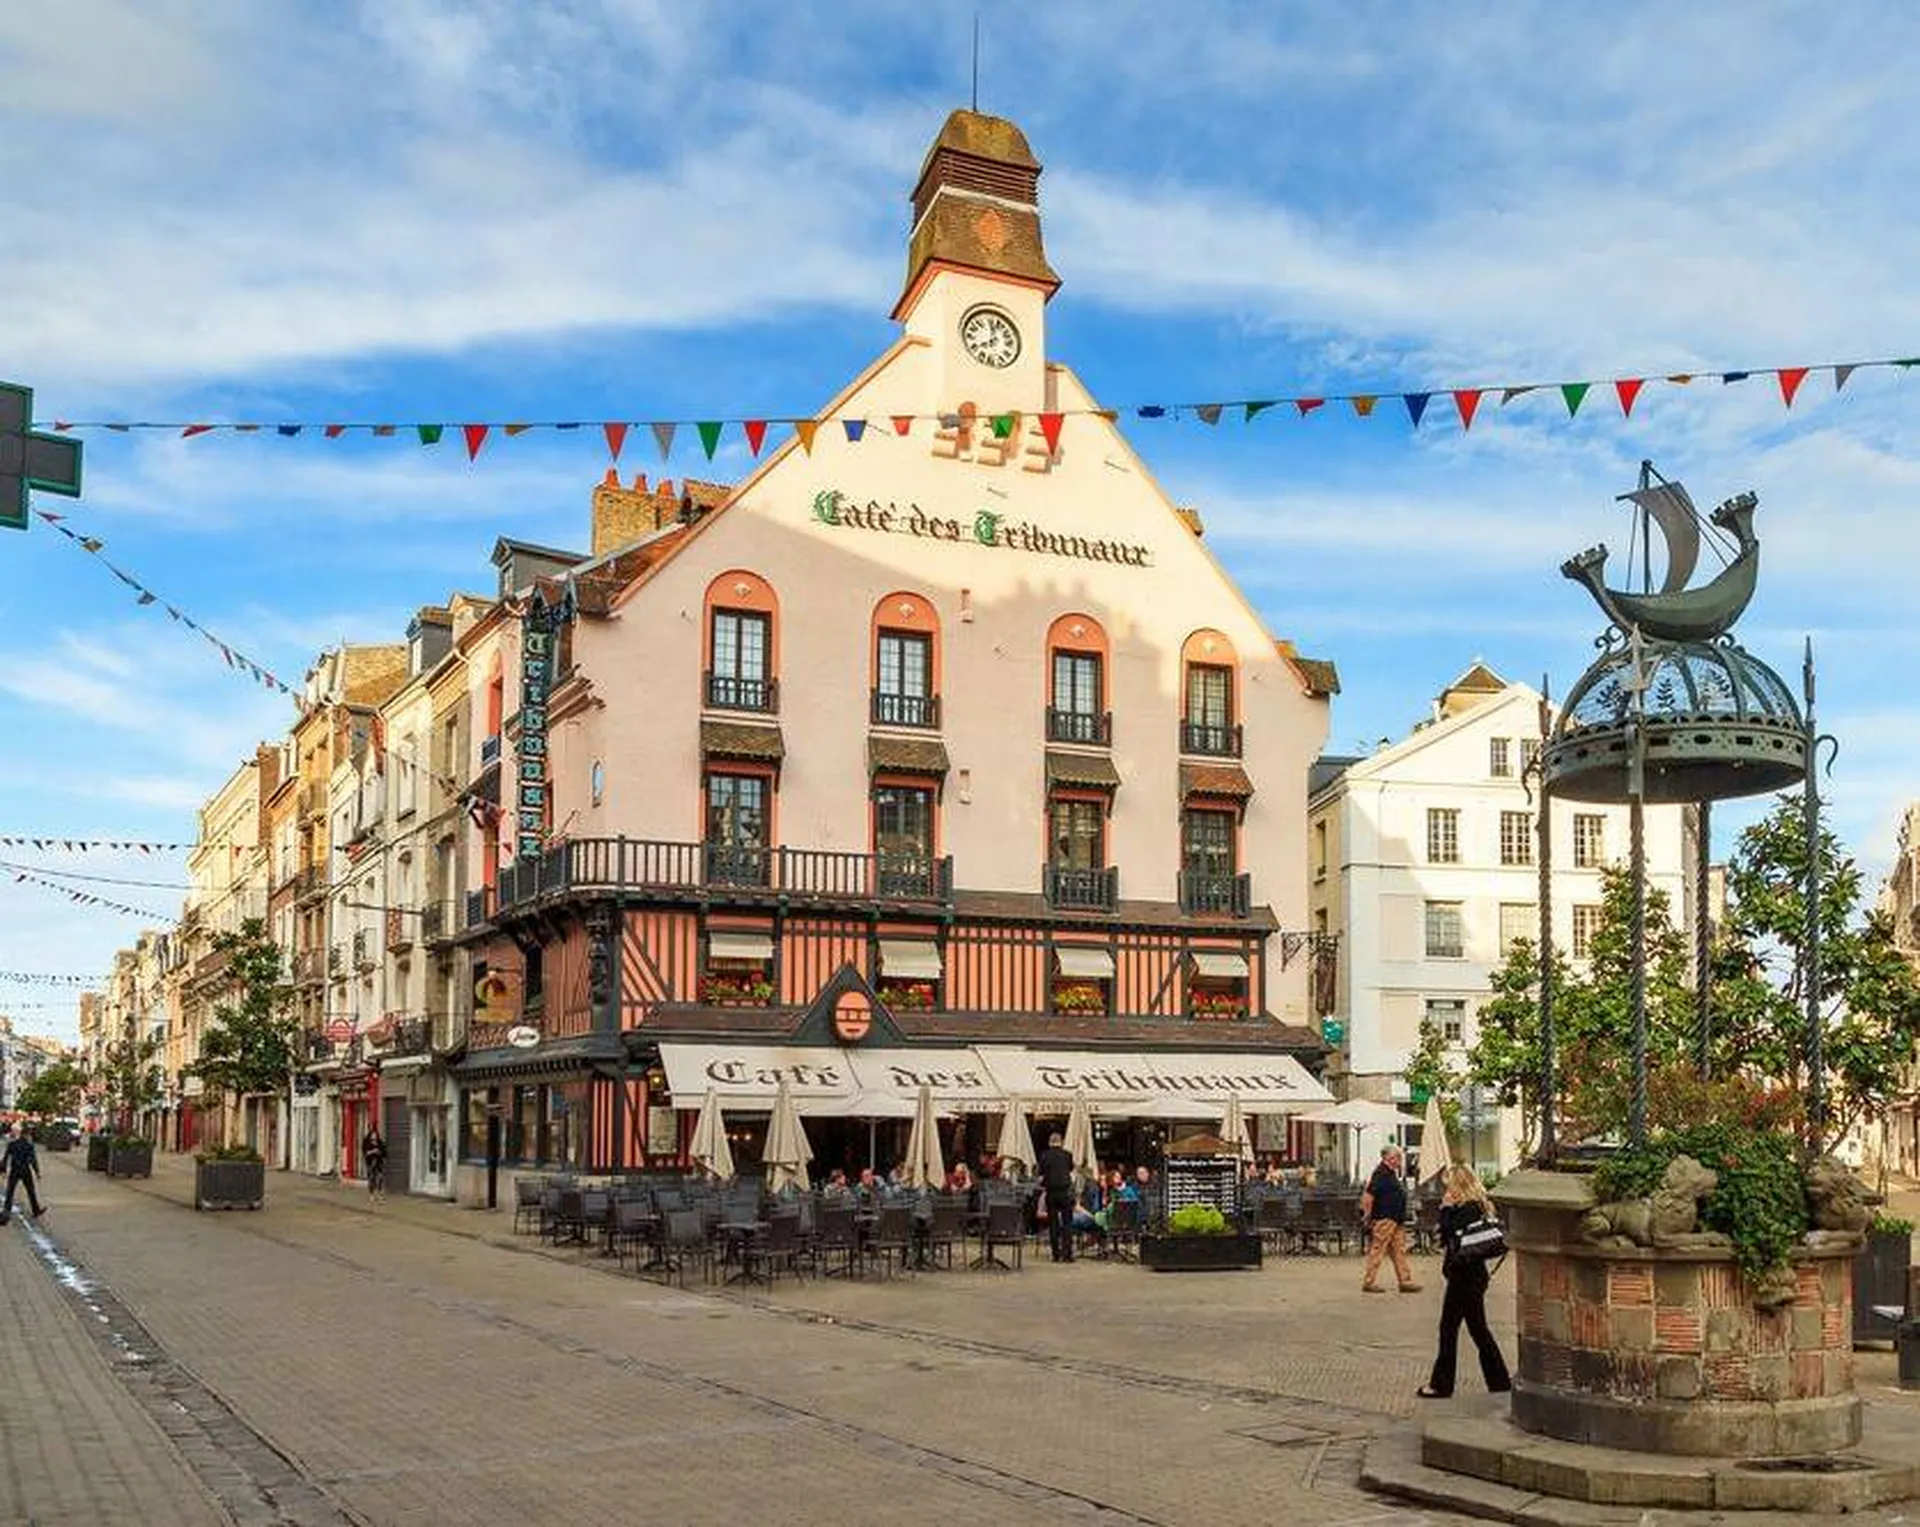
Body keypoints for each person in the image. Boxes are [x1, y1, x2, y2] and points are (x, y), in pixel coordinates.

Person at [1420, 1164, 1512, 1398]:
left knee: (1449, 1328)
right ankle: (1499, 1381)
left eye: (1450, 1185)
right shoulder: (1476, 1206)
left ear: (1459, 1185)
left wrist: (1445, 1208)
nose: (1447, 1190)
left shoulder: (1469, 1208)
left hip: (1465, 1276)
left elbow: (1449, 1230)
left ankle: (1441, 1385)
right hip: (1471, 1275)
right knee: (1478, 1329)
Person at [1359, 1145, 1421, 1294]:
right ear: (1388, 1158)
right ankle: (1369, 1281)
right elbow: (1368, 1196)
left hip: (1396, 1219)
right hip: (1385, 1218)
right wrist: (1367, 1215)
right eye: (1397, 1157)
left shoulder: (1390, 1173)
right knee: (1378, 1249)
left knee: (1399, 1250)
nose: (1399, 1161)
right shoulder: (1380, 1173)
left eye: (1399, 1157)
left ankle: (1405, 1281)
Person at [1035, 1131, 1077, 1263]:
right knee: (1067, 1224)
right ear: (1061, 1141)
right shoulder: (1067, 1155)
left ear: (1049, 1142)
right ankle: (1068, 1254)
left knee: (1053, 1224)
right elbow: (1070, 1170)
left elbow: (1040, 1174)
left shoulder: (1044, 1155)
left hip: (1051, 1192)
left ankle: (1055, 1254)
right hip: (1065, 1192)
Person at [0, 1123, 45, 1222]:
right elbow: (33, 1159)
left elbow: (5, 1158)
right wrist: (37, 1172)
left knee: (10, 1192)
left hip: (14, 1170)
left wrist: (3, 1170)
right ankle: (36, 1210)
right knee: (30, 1191)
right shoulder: (29, 1145)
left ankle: (5, 1213)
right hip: (25, 1170)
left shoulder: (12, 1144)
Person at [362, 1125, 388, 1198]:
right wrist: (372, 1151)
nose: (374, 1136)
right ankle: (371, 1194)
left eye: (375, 1135)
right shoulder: (367, 1143)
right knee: (371, 1178)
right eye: (373, 1135)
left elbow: (385, 1153)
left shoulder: (380, 1143)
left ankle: (379, 1193)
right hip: (371, 1163)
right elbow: (365, 1153)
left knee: (380, 1178)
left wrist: (380, 1152)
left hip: (379, 1163)